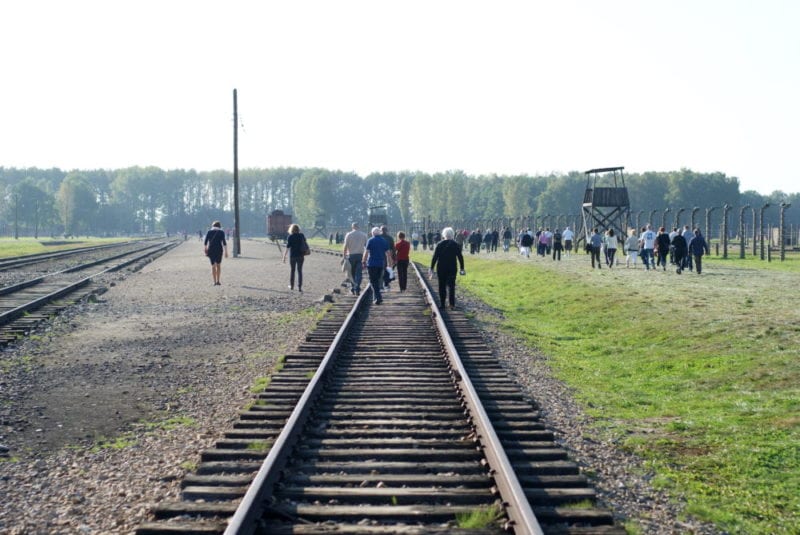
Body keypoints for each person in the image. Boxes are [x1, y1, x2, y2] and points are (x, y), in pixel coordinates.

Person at [429, 227, 465, 310]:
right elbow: (460, 257)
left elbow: (435, 257)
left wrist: (431, 267)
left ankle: (442, 304)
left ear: (444, 235)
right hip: (452, 267)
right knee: (451, 286)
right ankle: (451, 304)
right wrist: (462, 268)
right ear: (452, 235)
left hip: (441, 268)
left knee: (441, 285)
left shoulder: (439, 244)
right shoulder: (455, 244)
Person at [362, 227, 392, 304]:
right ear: (379, 233)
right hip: (380, 264)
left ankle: (378, 297)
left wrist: (364, 261)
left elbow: (366, 252)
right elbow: (388, 254)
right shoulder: (384, 241)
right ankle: (376, 298)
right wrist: (389, 263)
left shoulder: (370, 240)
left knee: (373, 281)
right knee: (377, 281)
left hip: (371, 264)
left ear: (373, 233)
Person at [343, 222, 367, 296]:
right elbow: (366, 247)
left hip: (351, 255)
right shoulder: (364, 235)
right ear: (358, 227)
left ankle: (353, 288)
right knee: (359, 273)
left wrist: (344, 255)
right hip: (360, 255)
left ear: (352, 227)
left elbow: (345, 246)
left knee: (351, 273)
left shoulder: (348, 235)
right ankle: (357, 288)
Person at [282, 223, 307, 292]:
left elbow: (287, 247)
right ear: (298, 229)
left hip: (293, 256)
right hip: (301, 256)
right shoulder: (301, 236)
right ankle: (299, 287)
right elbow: (305, 243)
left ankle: (292, 286)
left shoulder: (290, 237)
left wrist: (284, 256)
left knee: (292, 271)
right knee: (300, 271)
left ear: (291, 229)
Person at [203, 220, 228, 286]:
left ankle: (214, 282)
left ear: (213, 226)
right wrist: (226, 252)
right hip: (219, 250)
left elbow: (205, 242)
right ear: (219, 226)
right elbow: (224, 243)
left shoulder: (209, 232)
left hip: (211, 250)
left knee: (213, 266)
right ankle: (218, 281)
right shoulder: (221, 232)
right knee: (218, 265)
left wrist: (205, 249)